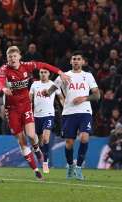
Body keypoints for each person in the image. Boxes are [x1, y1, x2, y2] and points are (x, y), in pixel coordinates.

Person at [0, 46, 70, 179]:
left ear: (19, 56)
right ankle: (36, 170)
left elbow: (44, 64)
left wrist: (60, 72)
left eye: (14, 56)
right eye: (9, 57)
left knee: (31, 135)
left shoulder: (27, 66)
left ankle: (36, 149)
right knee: (22, 141)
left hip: (25, 106)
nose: (12, 59)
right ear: (7, 59)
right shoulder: (4, 69)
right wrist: (3, 89)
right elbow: (0, 82)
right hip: (11, 109)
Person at [43, 51, 100, 180]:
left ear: (83, 62)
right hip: (69, 112)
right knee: (69, 143)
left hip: (85, 112)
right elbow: (52, 89)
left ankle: (79, 167)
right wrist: (47, 92)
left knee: (85, 138)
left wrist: (84, 98)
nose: (76, 61)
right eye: (74, 59)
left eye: (78, 59)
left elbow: (97, 95)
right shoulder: (64, 75)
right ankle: (70, 166)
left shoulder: (88, 76)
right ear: (70, 62)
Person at [29, 68, 65, 173]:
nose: (43, 74)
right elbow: (29, 98)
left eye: (45, 72)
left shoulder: (53, 85)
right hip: (36, 116)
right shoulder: (35, 84)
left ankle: (45, 163)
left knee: (45, 139)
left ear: (49, 74)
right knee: (40, 141)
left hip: (49, 115)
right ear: (39, 74)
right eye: (41, 72)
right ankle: (40, 155)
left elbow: (61, 98)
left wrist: (66, 108)